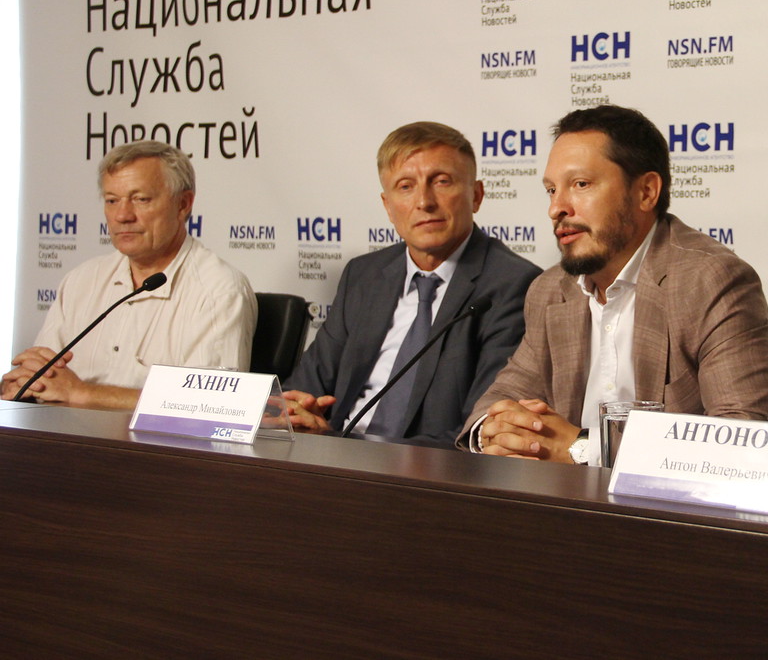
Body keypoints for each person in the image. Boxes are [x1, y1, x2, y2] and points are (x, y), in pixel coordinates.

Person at [462, 104, 768, 465]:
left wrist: (581, 448)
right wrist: (495, 432)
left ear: (646, 192)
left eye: (580, 185)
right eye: (551, 190)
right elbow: (500, 399)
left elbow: (743, 445)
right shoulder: (551, 291)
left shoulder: (711, 282)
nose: (556, 208)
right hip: (570, 499)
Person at [284, 122, 540, 446]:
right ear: (388, 206)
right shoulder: (363, 275)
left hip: (426, 470)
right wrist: (297, 413)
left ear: (476, 195)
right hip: (329, 456)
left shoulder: (514, 285)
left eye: (442, 181)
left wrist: (338, 445)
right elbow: (303, 388)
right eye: (405, 186)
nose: (424, 202)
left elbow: (480, 433)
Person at [2, 141, 256, 408]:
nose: (122, 215)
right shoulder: (81, 281)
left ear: (183, 204)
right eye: (112, 200)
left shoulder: (218, 290)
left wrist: (82, 393)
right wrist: (21, 385)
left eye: (140, 199)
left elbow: (211, 405)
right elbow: (42, 379)